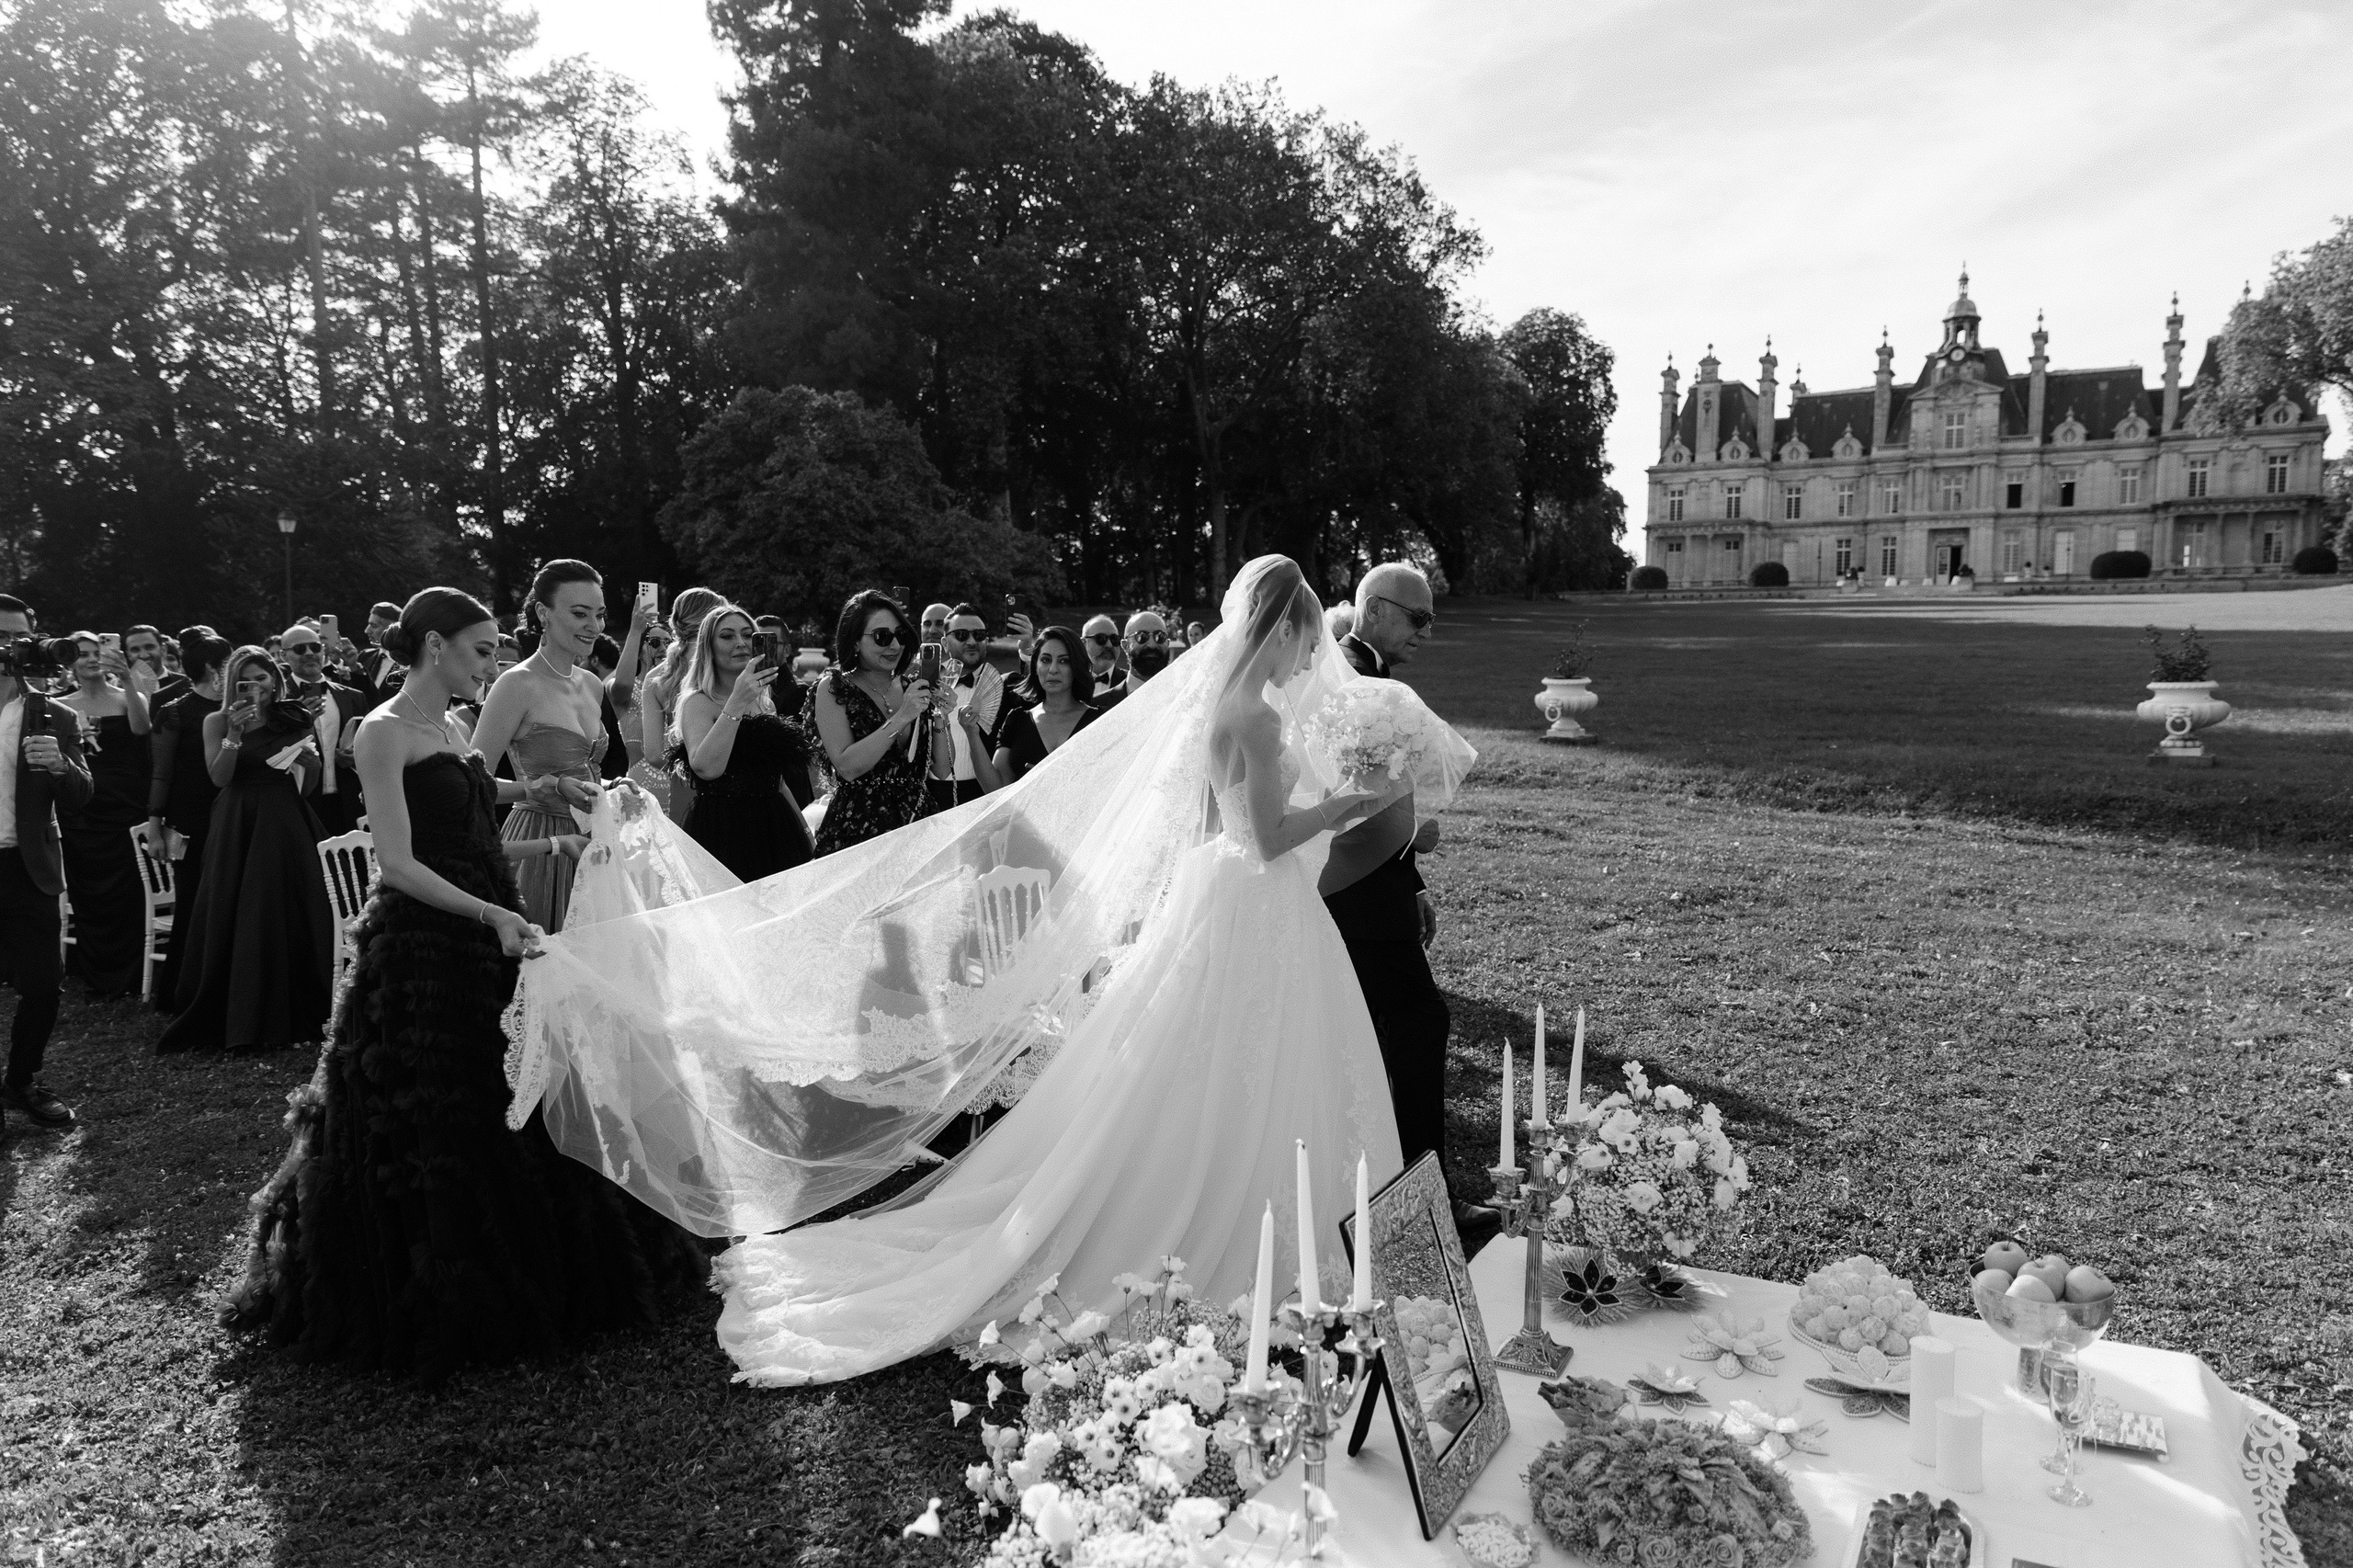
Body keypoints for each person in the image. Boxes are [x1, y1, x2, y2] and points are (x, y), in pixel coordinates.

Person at [504, 555, 1475, 1386]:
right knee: (1241, 1058)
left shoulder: (1231, 706)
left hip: (1232, 901)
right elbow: (1264, 835)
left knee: (1213, 1059)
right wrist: (1346, 808)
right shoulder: (1256, 719)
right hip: (1255, 897)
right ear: (1281, 629)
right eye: (1307, 637)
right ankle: (1249, 1224)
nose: (1315, 655)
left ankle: (1274, 1208)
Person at [222, 586, 689, 1381]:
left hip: (491, 921)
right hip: (430, 951)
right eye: (479, 651)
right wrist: (493, 916)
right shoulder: (381, 732)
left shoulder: (452, 727)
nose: (491, 663)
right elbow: (400, 864)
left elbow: (470, 830)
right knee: (446, 1112)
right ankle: (444, 1284)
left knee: (528, 1087)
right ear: (434, 647)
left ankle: (550, 1261)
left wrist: (540, 834)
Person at [1319, 562, 1493, 1248]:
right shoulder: (1352, 683)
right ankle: (1425, 1201)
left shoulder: (1364, 678)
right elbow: (1341, 797)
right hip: (1354, 895)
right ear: (1377, 610)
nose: (1426, 632)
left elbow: (1383, 789)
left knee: (1381, 1037)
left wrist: (1412, 879)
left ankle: (1391, 1190)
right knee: (1418, 1025)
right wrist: (1406, 836)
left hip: (1382, 888)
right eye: (1418, 618)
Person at [156, 645, 335, 1052]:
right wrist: (234, 736)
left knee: (292, 905)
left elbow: (307, 788)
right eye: (246, 679)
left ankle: (299, 1006)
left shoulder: (294, 717)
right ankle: (240, 1009)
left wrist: (309, 763)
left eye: (262, 677)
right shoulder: (216, 720)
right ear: (232, 683)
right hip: (237, 819)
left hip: (286, 817)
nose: (256, 686)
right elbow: (219, 779)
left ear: (275, 678)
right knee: (241, 904)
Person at [468, 560, 610, 932]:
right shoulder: (516, 685)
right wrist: (547, 785)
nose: (593, 626)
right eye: (580, 613)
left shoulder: (593, 684)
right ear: (543, 613)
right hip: (539, 843)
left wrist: (613, 788)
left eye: (599, 614)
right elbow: (472, 785)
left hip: (597, 841)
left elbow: (590, 770)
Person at [0, 597, 92, 1134]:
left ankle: (22, 1079)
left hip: (28, 866)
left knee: (42, 985)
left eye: (20, 636)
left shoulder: (55, 714)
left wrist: (60, 766)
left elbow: (82, 795)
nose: (12, 645)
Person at [676, 606, 816, 881]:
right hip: (723, 830)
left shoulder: (765, 702)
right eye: (727, 636)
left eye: (747, 634)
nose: (740, 643)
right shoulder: (699, 703)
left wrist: (805, 832)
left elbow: (778, 780)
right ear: (709, 648)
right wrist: (736, 701)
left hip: (775, 826)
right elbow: (705, 767)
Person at [52, 633, 156, 997]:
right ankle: (94, 971)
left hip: (125, 806)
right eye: (83, 654)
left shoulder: (128, 696)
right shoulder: (59, 705)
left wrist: (127, 679)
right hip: (83, 809)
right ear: (70, 663)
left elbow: (142, 729)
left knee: (127, 892)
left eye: (99, 652)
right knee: (88, 891)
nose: (92, 659)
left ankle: (129, 972)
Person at [809, 590, 932, 856]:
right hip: (859, 830)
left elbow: (943, 769)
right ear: (855, 642)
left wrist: (940, 718)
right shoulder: (834, 687)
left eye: (900, 635)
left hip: (917, 826)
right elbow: (848, 767)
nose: (895, 646)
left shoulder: (910, 687)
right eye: (882, 637)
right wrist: (901, 718)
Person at [145, 630, 230, 1013]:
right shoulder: (175, 711)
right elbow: (160, 774)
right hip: (190, 820)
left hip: (230, 815)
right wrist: (154, 826)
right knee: (194, 904)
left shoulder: (236, 708)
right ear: (214, 669)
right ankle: (182, 993)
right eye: (228, 663)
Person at [634, 587, 724, 816]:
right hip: (737, 787)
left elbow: (654, 754)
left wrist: (692, 767)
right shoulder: (728, 668)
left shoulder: (656, 677)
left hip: (686, 788)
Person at [278, 624, 367, 836]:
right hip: (300, 800)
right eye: (300, 649)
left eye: (315, 647)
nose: (310, 653)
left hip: (348, 801)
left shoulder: (353, 697)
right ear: (284, 656)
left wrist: (354, 756)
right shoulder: (277, 700)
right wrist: (299, 719)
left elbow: (371, 745)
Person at [989, 626, 1097, 784]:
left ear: (1076, 666)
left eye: (1064, 661)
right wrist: (971, 734)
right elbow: (996, 789)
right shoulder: (1017, 720)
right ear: (1035, 666)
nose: (1053, 669)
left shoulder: (1098, 721)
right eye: (1046, 660)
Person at [926, 605, 1008, 810]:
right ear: (945, 643)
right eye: (961, 635)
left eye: (979, 635)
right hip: (931, 797)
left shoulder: (1006, 688)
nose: (972, 641)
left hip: (983, 798)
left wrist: (1025, 651)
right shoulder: (925, 684)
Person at [1079, 614, 1124, 708]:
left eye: (1114, 639)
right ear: (1083, 644)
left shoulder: (1129, 683)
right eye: (1101, 638)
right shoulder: (1068, 681)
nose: (1109, 645)